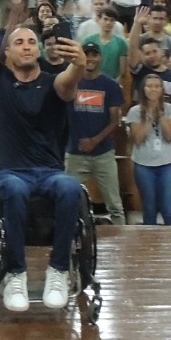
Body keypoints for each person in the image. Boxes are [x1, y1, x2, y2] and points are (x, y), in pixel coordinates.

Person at [0, 0, 86, 312]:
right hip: (13, 172)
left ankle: (58, 271)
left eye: (31, 41)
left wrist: (79, 65)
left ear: (39, 49)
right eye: (18, 41)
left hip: (50, 172)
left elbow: (69, 82)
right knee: (14, 189)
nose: (25, 45)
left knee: (70, 187)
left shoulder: (53, 83)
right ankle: (15, 274)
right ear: (6, 53)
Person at [64, 39, 126, 226]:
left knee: (115, 206)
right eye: (87, 54)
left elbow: (115, 121)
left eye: (94, 54)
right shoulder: (70, 82)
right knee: (67, 202)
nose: (90, 58)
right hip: (75, 153)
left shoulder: (110, 85)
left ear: (100, 57)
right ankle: (69, 241)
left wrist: (94, 141)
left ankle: (123, 245)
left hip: (103, 153)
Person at [125, 72, 171, 225]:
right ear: (144, 89)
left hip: (167, 163)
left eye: (157, 86)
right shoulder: (135, 111)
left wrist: (160, 114)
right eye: (149, 86)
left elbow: (169, 136)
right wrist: (149, 117)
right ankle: (150, 247)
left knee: (169, 210)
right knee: (149, 209)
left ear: (162, 90)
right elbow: (138, 138)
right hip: (144, 165)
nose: (153, 89)